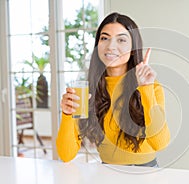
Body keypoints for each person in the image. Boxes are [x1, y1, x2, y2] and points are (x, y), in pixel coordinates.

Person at [56, 12, 170, 167]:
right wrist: (67, 114)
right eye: (104, 38)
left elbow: (160, 144)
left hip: (146, 174)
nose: (111, 46)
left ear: (132, 48)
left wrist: (146, 89)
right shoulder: (87, 90)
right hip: (107, 175)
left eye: (121, 40)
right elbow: (66, 155)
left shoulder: (150, 86)